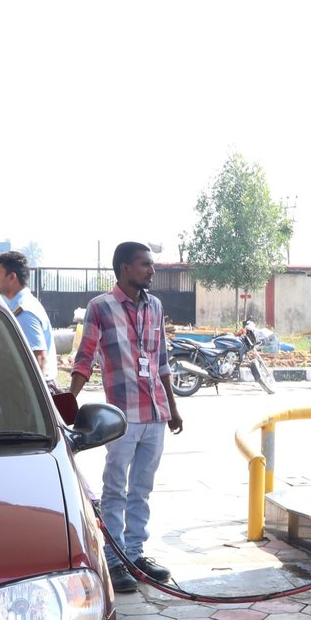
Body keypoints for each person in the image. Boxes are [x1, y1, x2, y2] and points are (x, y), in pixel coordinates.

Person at [70, 242, 183, 593]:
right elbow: (85, 357)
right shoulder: (100, 307)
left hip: (155, 414)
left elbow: (161, 359)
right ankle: (115, 558)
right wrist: (66, 404)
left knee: (142, 489)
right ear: (124, 269)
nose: (151, 270)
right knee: (115, 488)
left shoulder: (155, 306)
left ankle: (135, 554)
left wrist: (174, 407)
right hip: (122, 416)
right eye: (145, 264)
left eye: (151, 264)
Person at [0, 250, 57, 383]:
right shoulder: (18, 306)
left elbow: (39, 358)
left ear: (12, 277)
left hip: (35, 387)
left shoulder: (25, 311)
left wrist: (33, 400)